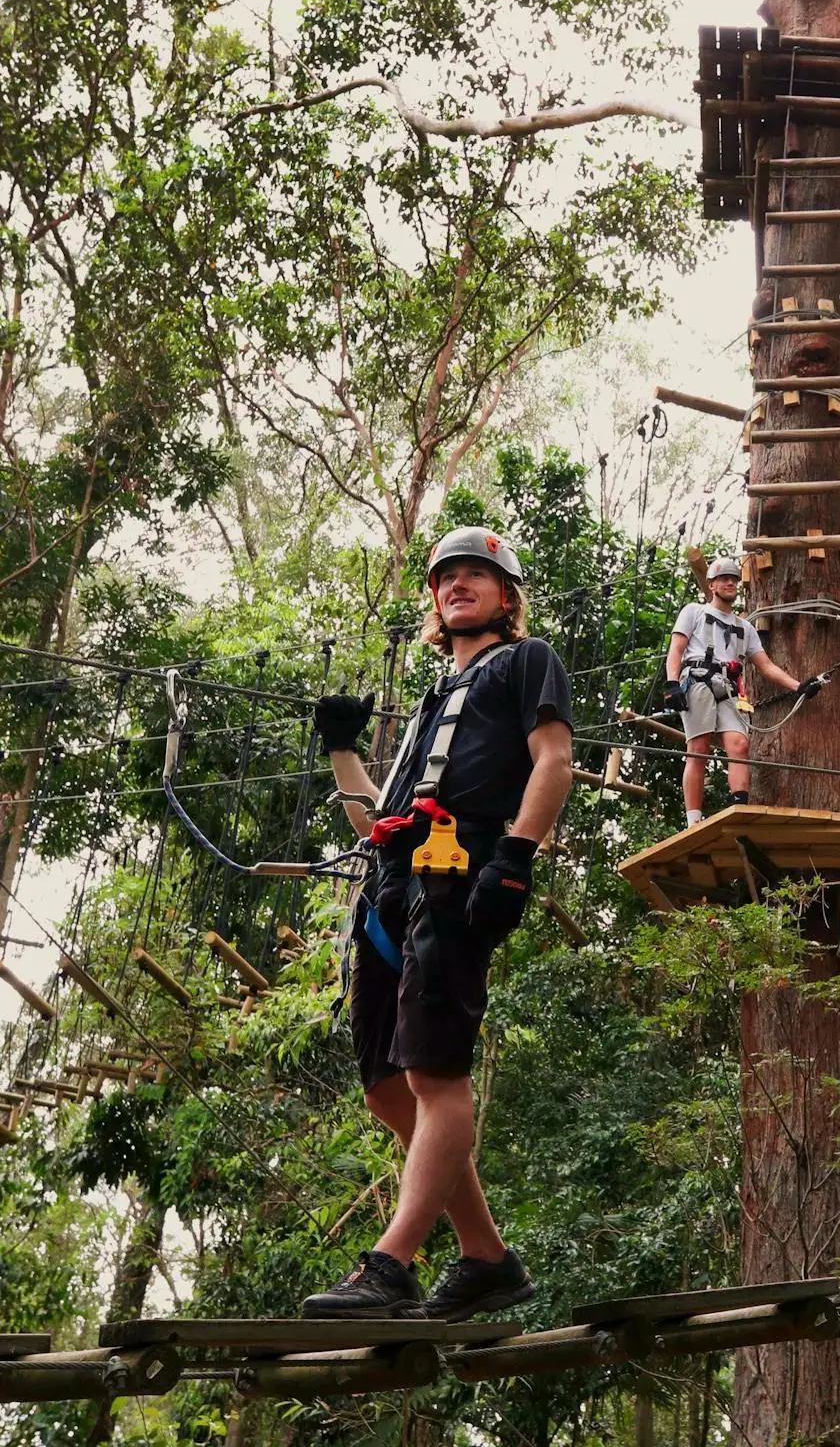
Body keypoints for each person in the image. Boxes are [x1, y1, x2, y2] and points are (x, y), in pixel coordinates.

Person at [301, 525, 574, 1321]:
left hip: (463, 873)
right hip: (393, 888)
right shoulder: (432, 700)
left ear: (505, 595)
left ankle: (392, 1262)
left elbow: (554, 758)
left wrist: (516, 855)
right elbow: (373, 821)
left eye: (476, 575)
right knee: (388, 1088)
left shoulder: (527, 662)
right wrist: (344, 749)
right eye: (445, 577)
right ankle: (487, 1258)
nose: (457, 584)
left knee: (435, 1076)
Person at [665, 555, 822, 827]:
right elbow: (676, 650)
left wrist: (799, 686)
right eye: (724, 579)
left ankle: (740, 807)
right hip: (698, 679)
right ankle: (693, 819)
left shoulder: (744, 627)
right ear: (711, 585)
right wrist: (672, 683)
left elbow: (766, 666)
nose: (730, 583)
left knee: (740, 745)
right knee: (699, 749)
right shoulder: (694, 612)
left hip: (728, 687)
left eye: (734, 580)